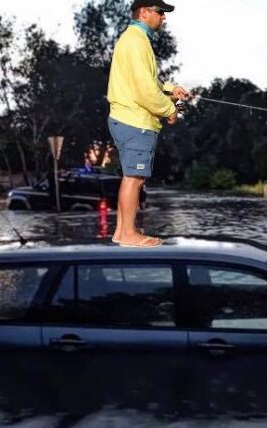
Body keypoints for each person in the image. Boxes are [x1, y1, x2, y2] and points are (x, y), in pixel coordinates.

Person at [107, 0, 191, 248]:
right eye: (160, 12)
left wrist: (170, 89)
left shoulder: (135, 39)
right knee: (134, 178)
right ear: (144, 12)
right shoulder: (135, 41)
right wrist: (170, 111)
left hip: (129, 119)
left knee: (133, 177)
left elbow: (148, 81)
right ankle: (129, 234)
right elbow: (144, 90)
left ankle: (122, 232)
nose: (163, 17)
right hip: (135, 121)